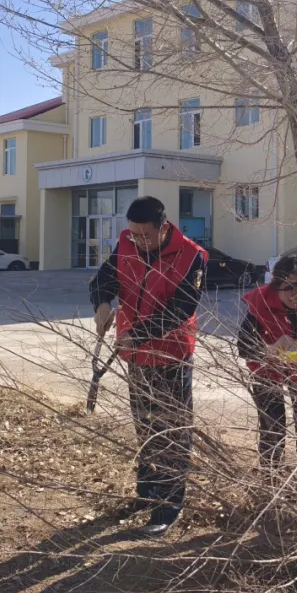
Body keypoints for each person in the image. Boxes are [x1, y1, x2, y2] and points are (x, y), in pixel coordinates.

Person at [89, 195, 208, 538]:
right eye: (133, 234)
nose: (138, 241)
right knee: (144, 423)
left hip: (172, 354)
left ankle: (168, 506)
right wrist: (101, 304)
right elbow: (105, 279)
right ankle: (148, 491)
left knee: (171, 429)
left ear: (164, 227)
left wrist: (139, 334)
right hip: (136, 355)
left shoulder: (191, 256)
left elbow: (182, 308)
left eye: (145, 235)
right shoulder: (126, 244)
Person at [236, 253, 297, 480]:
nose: (296, 294)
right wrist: (270, 350)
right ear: (276, 284)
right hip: (267, 371)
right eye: (288, 287)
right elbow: (244, 346)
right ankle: (271, 477)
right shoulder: (261, 301)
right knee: (273, 427)